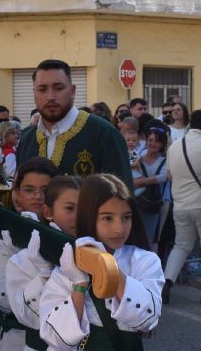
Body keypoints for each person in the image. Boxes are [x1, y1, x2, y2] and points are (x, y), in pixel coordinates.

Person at [39, 174, 163, 350]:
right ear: (88, 217)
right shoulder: (69, 265)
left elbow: (147, 319)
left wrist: (106, 264)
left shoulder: (145, 260)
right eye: (107, 218)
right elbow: (55, 338)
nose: (119, 228)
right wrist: (80, 284)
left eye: (126, 217)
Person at [0, 157, 58, 351]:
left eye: (45, 190)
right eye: (29, 190)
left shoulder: (70, 229)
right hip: (18, 338)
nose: (38, 196)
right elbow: (3, 300)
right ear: (17, 195)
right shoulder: (8, 240)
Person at [17, 59, 133, 190]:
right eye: (42, 89)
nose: (50, 96)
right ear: (34, 93)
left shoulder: (104, 133)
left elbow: (123, 198)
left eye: (58, 88)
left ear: (72, 91)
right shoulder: (27, 139)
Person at [5, 176, 83, 351]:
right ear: (48, 212)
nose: (78, 216)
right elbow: (28, 317)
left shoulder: (99, 253)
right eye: (70, 208)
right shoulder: (24, 259)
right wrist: (44, 275)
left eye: (85, 209)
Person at [162, 110, 201, 304]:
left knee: (181, 246)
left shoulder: (176, 146)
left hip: (180, 206)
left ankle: (167, 283)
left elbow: (169, 176)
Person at [133, 126, 168, 247]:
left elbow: (162, 177)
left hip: (155, 204)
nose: (153, 144)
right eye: (151, 140)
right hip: (137, 202)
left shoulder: (164, 161)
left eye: (157, 141)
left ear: (163, 144)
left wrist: (141, 181)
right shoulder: (138, 157)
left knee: (151, 237)